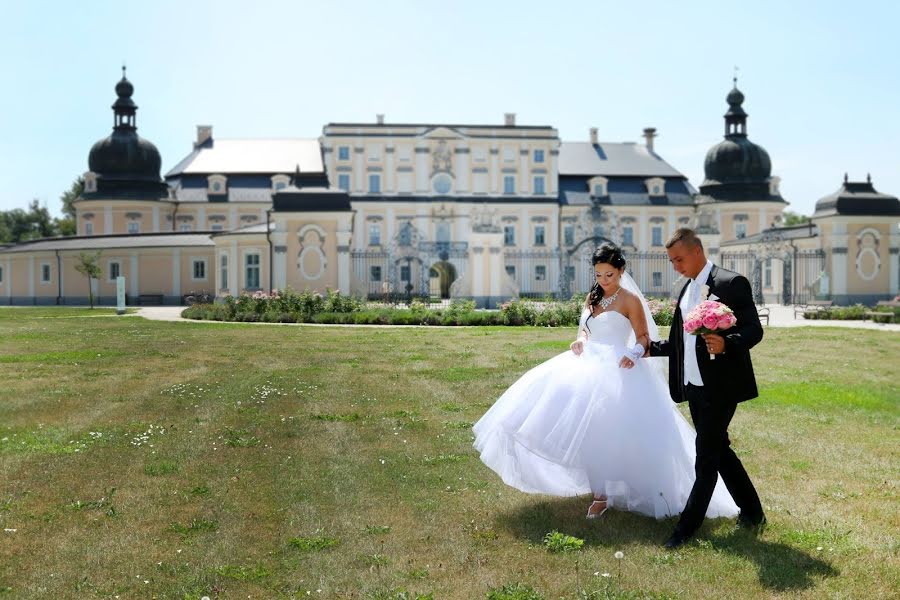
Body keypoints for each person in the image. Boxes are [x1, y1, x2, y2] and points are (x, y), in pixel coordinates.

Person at [473, 244, 738, 520]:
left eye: (609, 275)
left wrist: (635, 353)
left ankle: (620, 489)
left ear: (621, 271)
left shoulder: (630, 300)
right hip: (587, 365)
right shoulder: (592, 296)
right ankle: (599, 492)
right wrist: (580, 341)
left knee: (613, 429)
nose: (603, 281)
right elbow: (586, 331)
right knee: (585, 429)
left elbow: (643, 337)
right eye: (598, 275)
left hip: (617, 368)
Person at [648, 228, 765, 549]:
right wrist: (651, 348)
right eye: (671, 261)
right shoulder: (687, 290)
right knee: (719, 450)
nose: (675, 266)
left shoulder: (730, 283)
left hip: (722, 386)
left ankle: (684, 529)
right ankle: (753, 512)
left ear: (697, 251)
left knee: (705, 458)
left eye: (679, 259)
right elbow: (681, 341)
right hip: (694, 387)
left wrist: (727, 342)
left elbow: (754, 329)